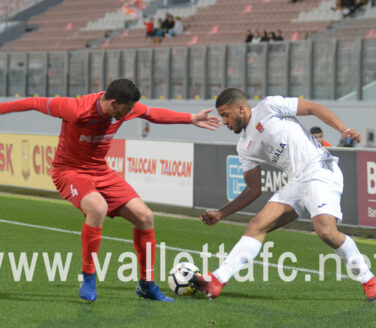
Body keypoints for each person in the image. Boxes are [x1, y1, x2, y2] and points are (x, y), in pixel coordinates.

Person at [0, 78, 220, 302]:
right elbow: (33, 102)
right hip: (69, 171)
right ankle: (88, 276)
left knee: (145, 217)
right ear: (113, 103)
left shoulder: (125, 108)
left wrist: (190, 118)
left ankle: (146, 284)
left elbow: (152, 114)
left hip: (101, 172)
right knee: (98, 208)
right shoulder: (76, 109)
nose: (130, 114)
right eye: (126, 109)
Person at [191, 88, 376, 303]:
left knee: (326, 232)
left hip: (319, 169)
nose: (223, 121)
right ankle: (216, 280)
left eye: (225, 114)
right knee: (257, 224)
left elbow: (313, 108)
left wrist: (343, 129)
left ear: (240, 109)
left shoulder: (269, 106)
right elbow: (254, 189)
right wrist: (221, 213)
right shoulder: (244, 146)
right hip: (297, 181)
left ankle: (369, 280)